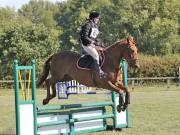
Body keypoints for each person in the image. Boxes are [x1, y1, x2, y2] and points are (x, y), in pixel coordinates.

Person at [79, 11, 107, 78]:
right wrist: (93, 43)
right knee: (96, 55)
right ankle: (99, 72)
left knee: (102, 52)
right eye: (97, 18)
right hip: (86, 44)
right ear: (93, 18)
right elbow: (84, 37)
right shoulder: (87, 25)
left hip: (92, 44)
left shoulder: (95, 26)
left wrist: (100, 44)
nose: (98, 20)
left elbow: (95, 38)